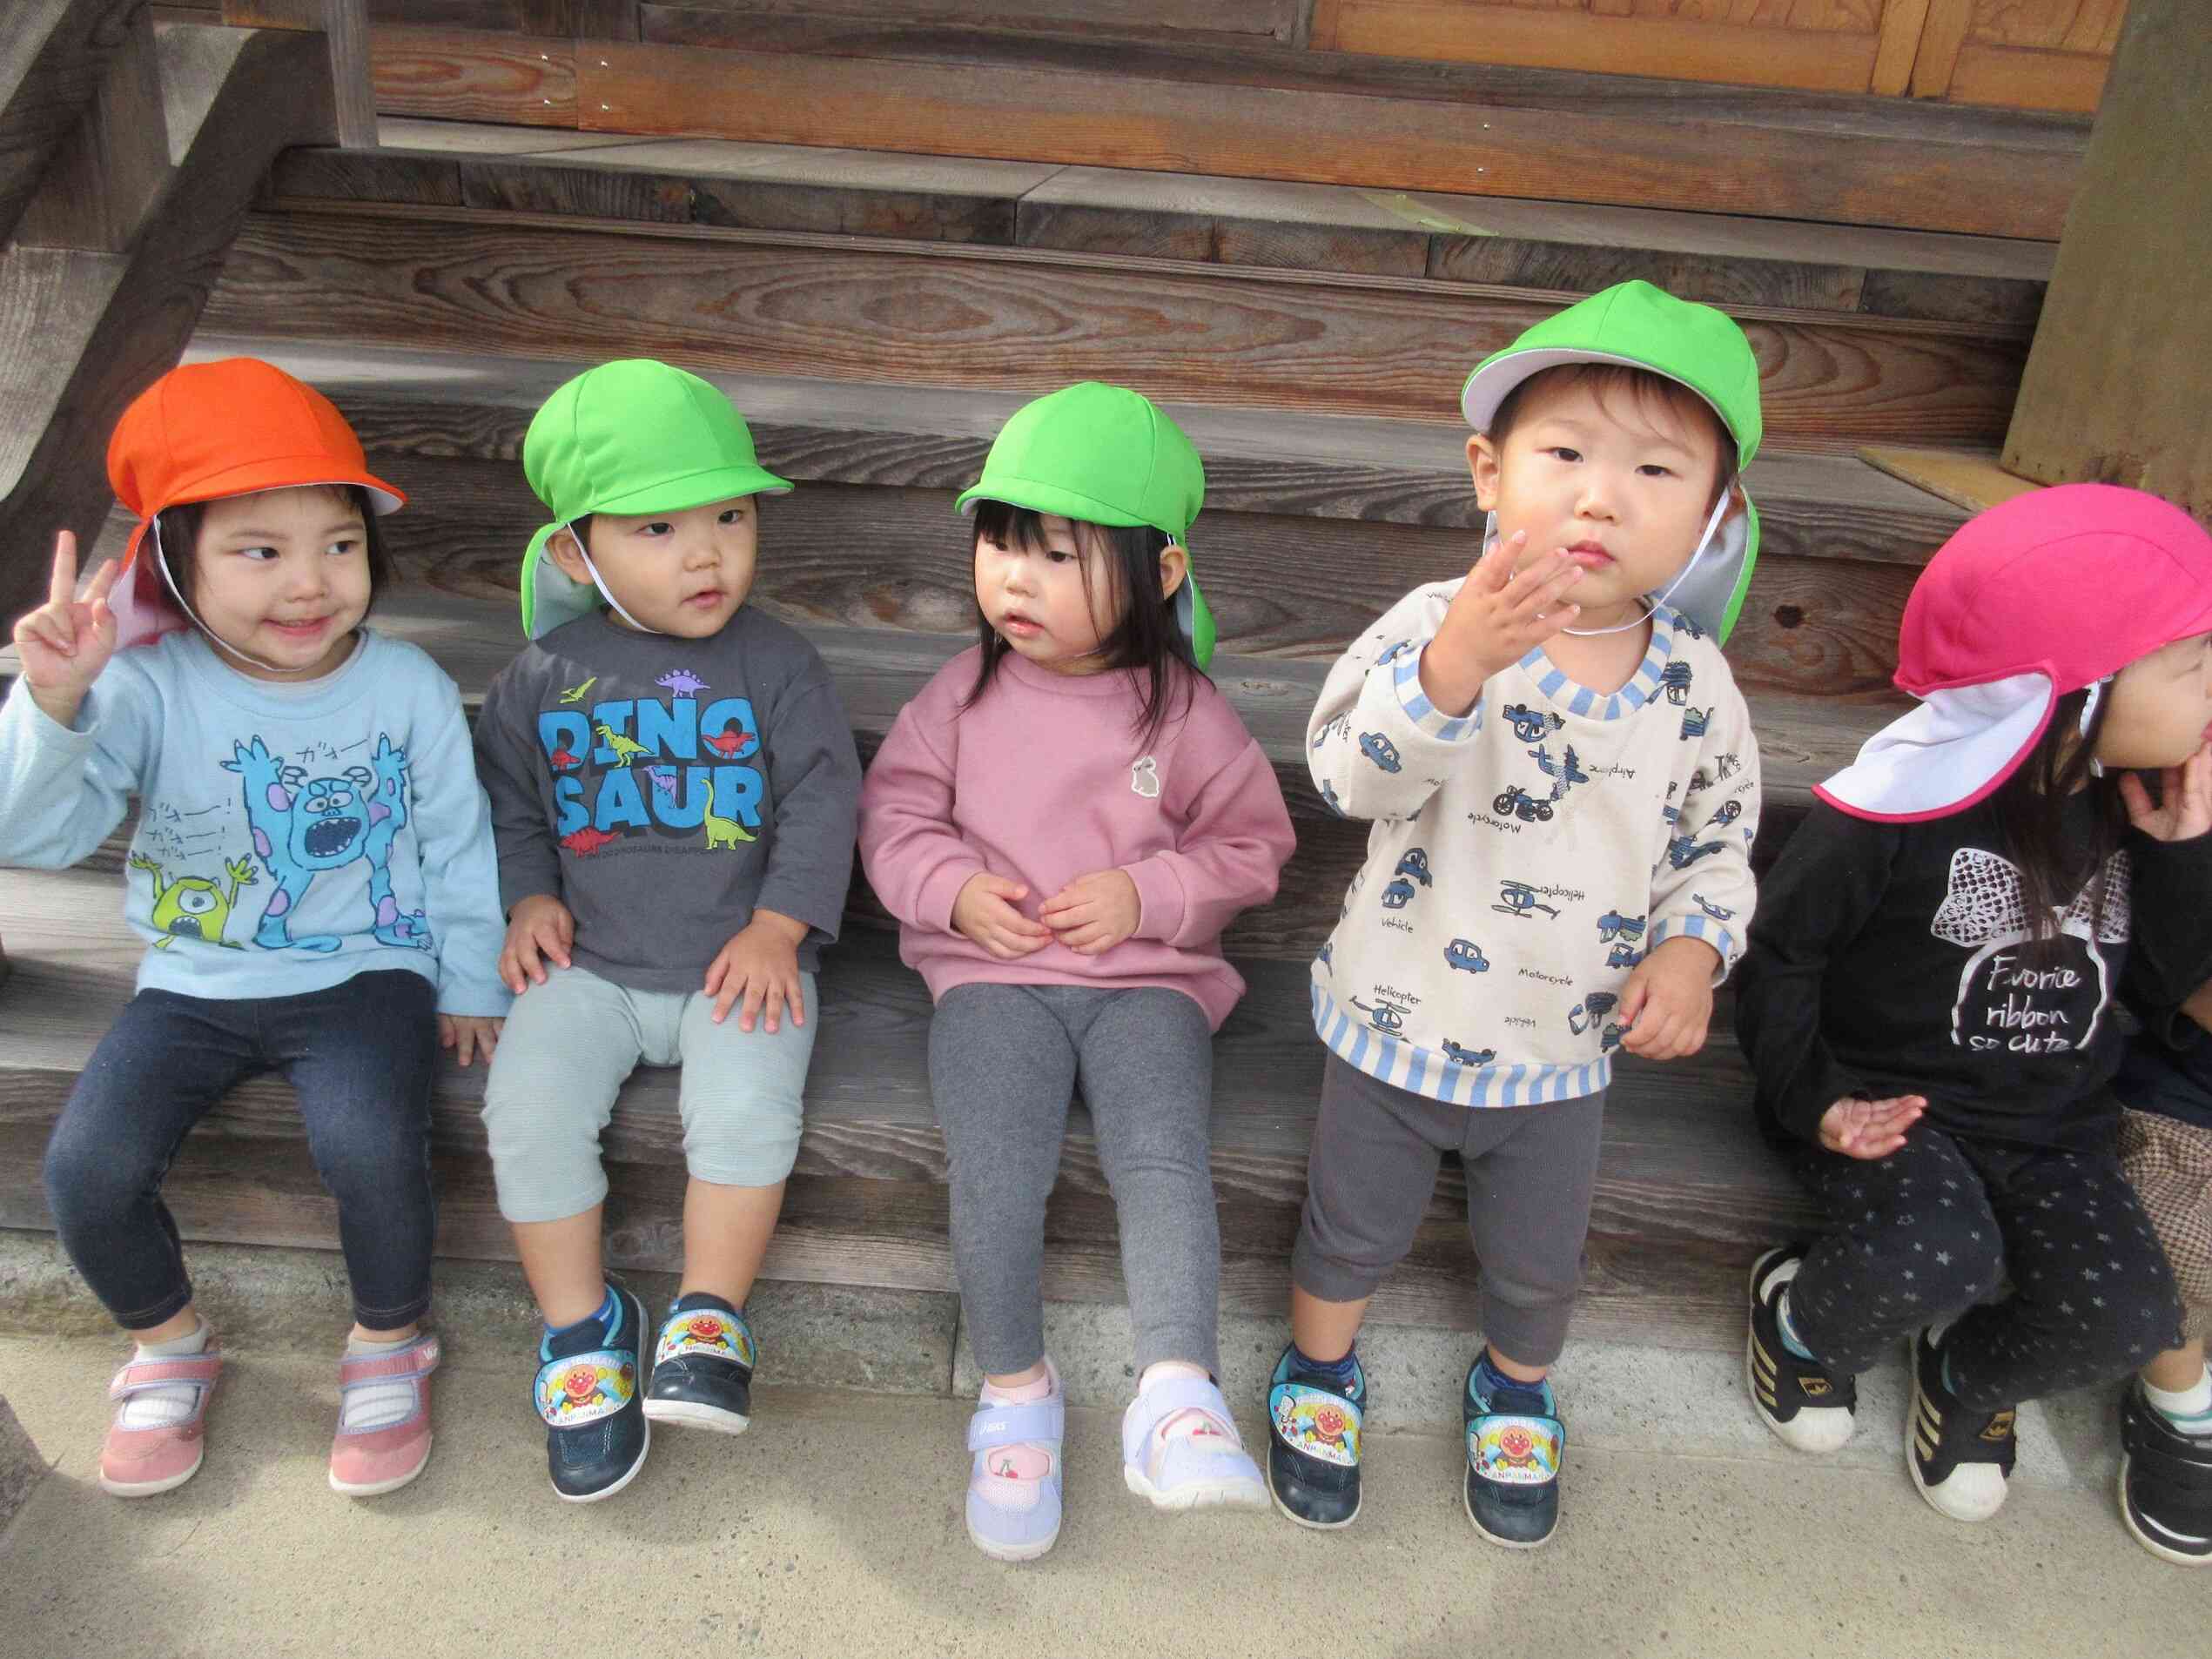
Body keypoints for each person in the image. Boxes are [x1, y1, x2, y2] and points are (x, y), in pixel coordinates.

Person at [1272, 281, 1765, 1548]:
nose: (1601, 497)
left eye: (1656, 471)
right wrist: (1450, 672)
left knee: (1540, 1254)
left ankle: (1518, 1386)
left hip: (1565, 1051)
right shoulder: (1440, 625)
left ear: (1715, 519)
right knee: (1350, 1224)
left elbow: (1714, 845)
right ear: (1488, 474)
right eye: (1563, 456)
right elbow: (1344, 775)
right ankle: (1321, 1369)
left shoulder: (1695, 687)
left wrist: (1692, 947)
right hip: (1394, 1013)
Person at [3, 358, 508, 1498]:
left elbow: (455, 839)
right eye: (258, 549)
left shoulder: (409, 686)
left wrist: (471, 975)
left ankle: (391, 1339)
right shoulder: (143, 685)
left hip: (366, 970)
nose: (309, 582)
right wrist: (52, 707)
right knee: (86, 1165)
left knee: (370, 1143)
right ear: (174, 561)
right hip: (191, 983)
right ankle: (170, 1344)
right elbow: (28, 833)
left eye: (338, 542)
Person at [859, 383, 1296, 1560]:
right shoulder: (964, 693)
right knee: (995, 1167)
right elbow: (894, 812)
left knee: (1160, 1156)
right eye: (1000, 542)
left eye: (1058, 553)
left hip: (1144, 982)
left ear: (1159, 575)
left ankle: (1175, 1390)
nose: (1014, 577)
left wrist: (1148, 894)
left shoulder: (1183, 712)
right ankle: (1014, 1389)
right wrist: (949, 886)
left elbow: (1254, 843)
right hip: (992, 982)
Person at [1738, 483, 2210, 1525]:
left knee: (2132, 1316)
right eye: (2195, 661)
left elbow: (2166, 985)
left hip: (2052, 1129)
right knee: (1942, 1249)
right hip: (1887, 1113)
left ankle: (1970, 1375)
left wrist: (2183, 855)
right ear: (2081, 690)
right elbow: (1776, 959)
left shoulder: (2137, 808)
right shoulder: (1892, 808)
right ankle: (1804, 1321)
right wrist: (1813, 1097)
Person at [474, 360, 861, 1502]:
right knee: (527, 1107)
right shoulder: (541, 676)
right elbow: (509, 799)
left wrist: (781, 926)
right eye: (660, 527)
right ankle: (580, 1326)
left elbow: (823, 798)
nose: (708, 553)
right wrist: (527, 894)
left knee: (746, 1105)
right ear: (574, 554)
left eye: (731, 517)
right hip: (584, 962)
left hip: (734, 962)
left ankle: (708, 1313)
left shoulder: (775, 662)